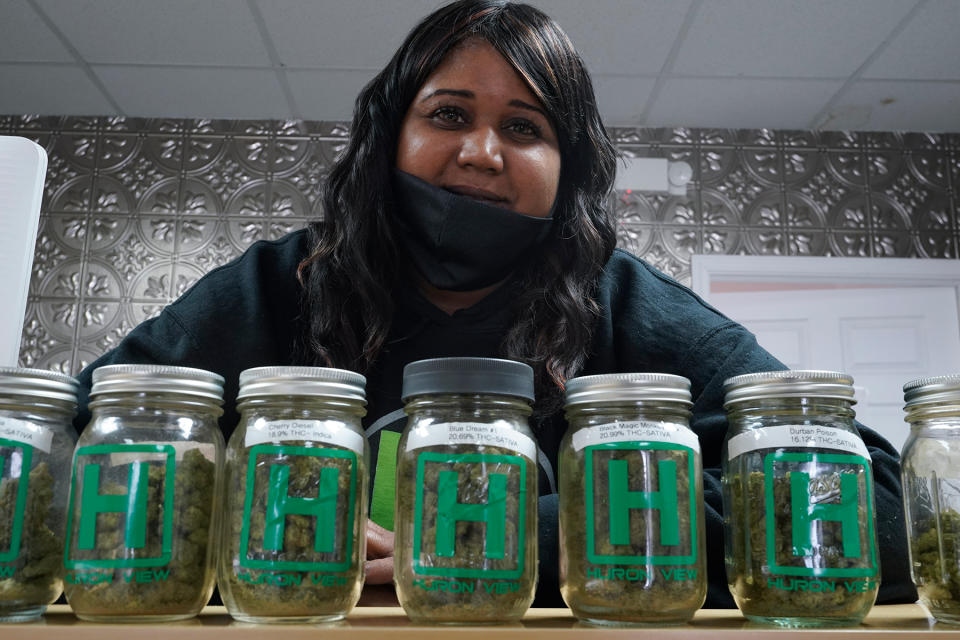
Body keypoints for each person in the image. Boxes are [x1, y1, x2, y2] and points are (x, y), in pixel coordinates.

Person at [73, 0, 915, 608]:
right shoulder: (275, 285)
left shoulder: (628, 307)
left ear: (570, 169)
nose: (481, 153)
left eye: (525, 128)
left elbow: (877, 506)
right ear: (386, 140)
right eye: (447, 114)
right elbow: (70, 448)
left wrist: (499, 538)